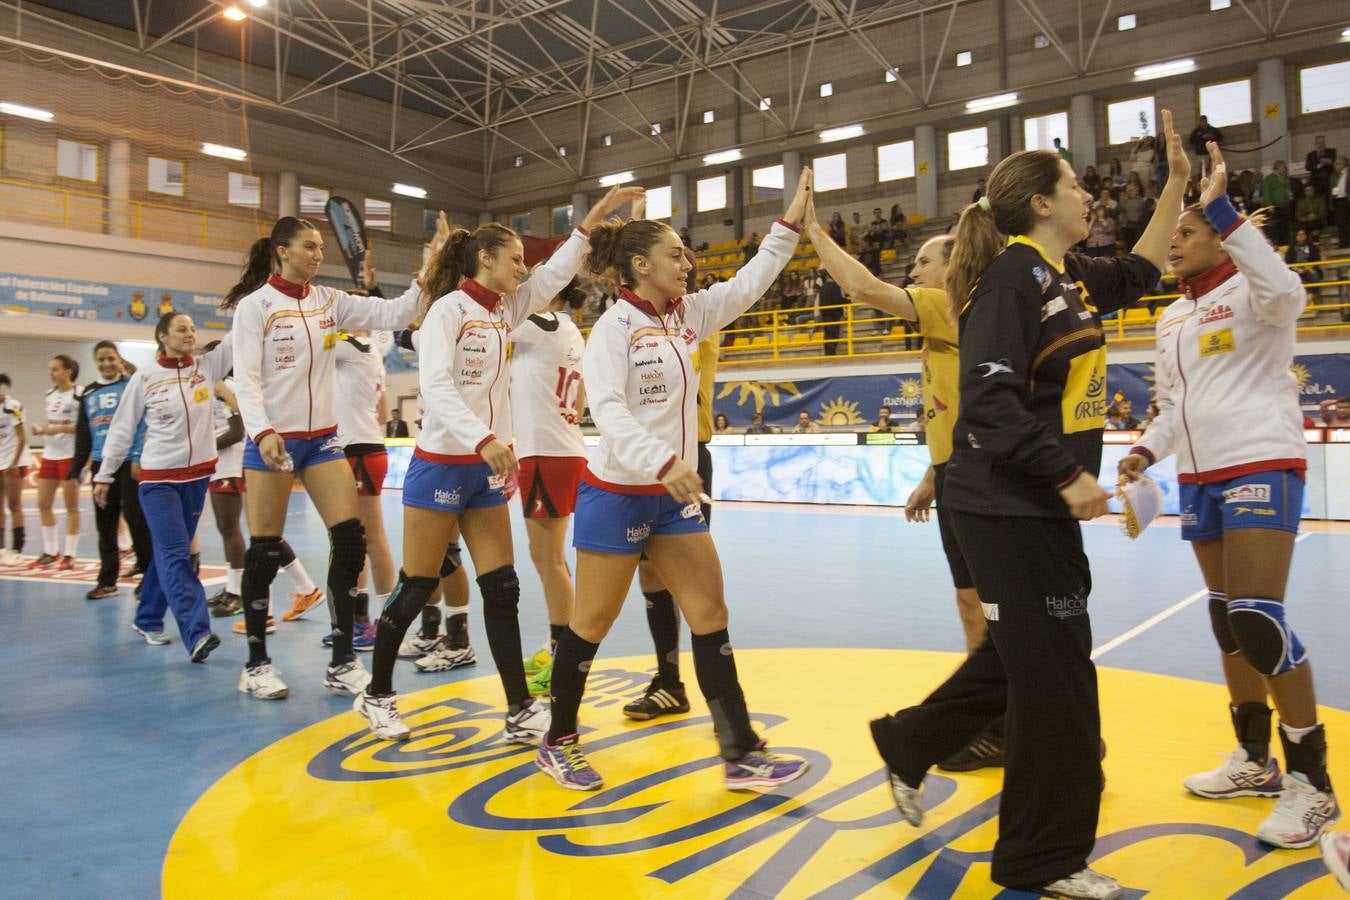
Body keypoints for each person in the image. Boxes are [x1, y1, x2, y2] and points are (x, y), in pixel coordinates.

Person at [870, 111, 1187, 899]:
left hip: (1029, 507)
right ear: (1041, 204)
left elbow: (1141, 270)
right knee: (1058, 684)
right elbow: (988, 402)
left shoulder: (1064, 276)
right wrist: (1068, 475)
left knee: (1025, 660)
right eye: (1074, 185)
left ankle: (909, 742)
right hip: (1007, 506)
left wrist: (1177, 187)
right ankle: (1042, 859)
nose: (1088, 195)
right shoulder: (1011, 281)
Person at [531, 168, 814, 793]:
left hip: (671, 499)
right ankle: (558, 740)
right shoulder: (613, 330)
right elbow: (607, 413)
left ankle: (739, 751)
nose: (688, 264)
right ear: (640, 266)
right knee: (591, 624)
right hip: (617, 495)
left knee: (710, 612)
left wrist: (788, 225)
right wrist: (663, 462)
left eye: (686, 255)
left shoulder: (688, 316)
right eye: (675, 255)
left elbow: (750, 282)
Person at [353, 185, 640, 742]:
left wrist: (594, 219)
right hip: (442, 464)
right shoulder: (446, 311)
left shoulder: (508, 309)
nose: (522, 269)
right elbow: (436, 386)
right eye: (514, 259)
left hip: (485, 471)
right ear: (485, 258)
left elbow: (555, 274)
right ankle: (377, 694)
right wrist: (485, 439)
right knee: (416, 585)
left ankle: (518, 708)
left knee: (502, 588)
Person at [1120, 140, 1341, 850]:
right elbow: (1172, 406)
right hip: (1198, 477)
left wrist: (1221, 207)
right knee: (1226, 620)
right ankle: (1254, 760)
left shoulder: (1256, 291)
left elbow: (1289, 293)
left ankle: (1313, 784)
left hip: (1260, 461)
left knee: (1256, 617)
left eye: (1187, 231)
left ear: (1222, 236)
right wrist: (1143, 451)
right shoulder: (1170, 319)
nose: (1173, 242)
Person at [224, 216, 424, 701]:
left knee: (351, 540)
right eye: (309, 247)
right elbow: (245, 378)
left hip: (323, 440)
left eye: (320, 248)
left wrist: (429, 267)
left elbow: (398, 312)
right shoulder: (255, 307)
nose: (318, 255)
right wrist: (262, 431)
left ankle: (342, 661)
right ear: (281, 251)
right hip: (274, 440)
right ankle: (256, 664)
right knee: (264, 550)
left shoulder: (330, 301)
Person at [94, 313, 229, 661]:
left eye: (193, 328)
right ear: (163, 337)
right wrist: (105, 474)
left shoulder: (207, 366)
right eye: (182, 329)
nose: (190, 333)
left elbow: (241, 338)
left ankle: (147, 618)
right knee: (176, 554)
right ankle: (197, 633)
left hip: (197, 479)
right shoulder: (145, 378)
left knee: (169, 553)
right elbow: (122, 429)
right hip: (159, 481)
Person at [505, 276, 589, 696]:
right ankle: (558, 643)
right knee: (550, 558)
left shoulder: (536, 325)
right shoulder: (569, 330)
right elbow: (580, 399)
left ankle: (563, 655)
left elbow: (485, 316)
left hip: (545, 453)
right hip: (561, 448)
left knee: (548, 559)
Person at [70, 342, 153, 600]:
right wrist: (77, 467)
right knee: (105, 524)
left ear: (119, 360)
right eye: (101, 359)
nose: (106, 363)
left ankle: (148, 578)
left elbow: (143, 425)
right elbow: (84, 433)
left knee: (137, 521)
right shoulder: (88, 393)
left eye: (110, 358)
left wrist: (138, 456)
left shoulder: (132, 386)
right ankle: (107, 581)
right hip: (101, 464)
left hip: (129, 464)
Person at [28, 355, 82, 570]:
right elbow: (52, 424)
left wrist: (58, 429)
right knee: (43, 504)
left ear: (68, 371)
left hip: (70, 455)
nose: (51, 373)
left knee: (71, 506)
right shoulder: (49, 394)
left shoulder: (79, 394)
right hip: (50, 454)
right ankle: (51, 552)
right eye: (50, 369)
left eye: (55, 369)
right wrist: (42, 430)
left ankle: (70, 554)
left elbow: (83, 426)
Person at [0, 374, 30, 564]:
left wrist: (14, 463)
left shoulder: (13, 406)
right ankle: (1, 548)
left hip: (14, 460)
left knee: (14, 505)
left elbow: (22, 437)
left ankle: (17, 548)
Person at [1261, 161, 1292, 246]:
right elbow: (1266, 192)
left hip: (1285, 206)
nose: (1285, 169)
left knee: (1284, 227)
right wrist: (1269, 205)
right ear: (1277, 168)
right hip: (1274, 208)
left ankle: (1285, 244)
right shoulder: (1268, 179)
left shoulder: (1285, 178)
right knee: (1275, 228)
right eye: (1283, 167)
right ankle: (1276, 245)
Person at [819, 270, 845, 356]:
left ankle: (828, 352)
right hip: (834, 313)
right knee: (833, 333)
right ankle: (831, 352)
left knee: (827, 333)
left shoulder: (823, 287)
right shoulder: (835, 286)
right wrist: (848, 301)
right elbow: (838, 300)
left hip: (825, 313)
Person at [1331, 157, 1349, 248]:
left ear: (1344, 164)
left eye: (1338, 164)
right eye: (1335, 164)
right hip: (1338, 201)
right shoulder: (1335, 176)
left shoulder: (1348, 173)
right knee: (1341, 223)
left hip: (1347, 200)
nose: (1336, 166)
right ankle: (1343, 243)